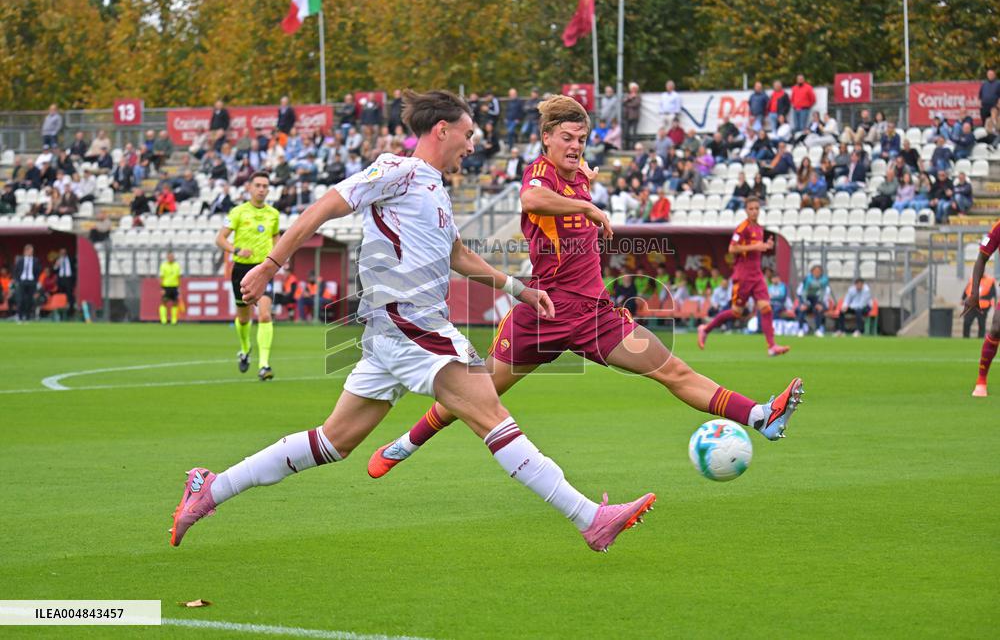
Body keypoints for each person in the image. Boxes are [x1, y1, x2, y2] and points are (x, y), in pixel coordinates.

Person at [171, 90, 657, 553]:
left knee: (332, 441)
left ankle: (210, 489)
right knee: (490, 413)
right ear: (441, 130)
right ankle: (590, 518)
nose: (473, 145)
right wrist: (270, 265)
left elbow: (459, 256)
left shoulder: (435, 192)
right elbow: (322, 208)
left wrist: (519, 288)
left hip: (393, 334)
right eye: (468, 135)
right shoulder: (397, 171)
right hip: (411, 326)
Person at [365, 94, 803, 490]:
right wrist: (587, 205)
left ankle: (759, 416)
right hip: (544, 311)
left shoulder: (578, 176)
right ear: (547, 140)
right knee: (475, 393)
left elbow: (570, 190)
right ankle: (406, 443)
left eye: (582, 138)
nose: (576, 146)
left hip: (595, 314)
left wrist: (584, 186)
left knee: (673, 370)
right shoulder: (540, 173)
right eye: (567, 138)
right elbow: (532, 201)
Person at [698, 198, 790, 357]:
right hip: (743, 276)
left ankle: (771, 346)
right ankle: (706, 329)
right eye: (751, 208)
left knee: (766, 308)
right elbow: (732, 248)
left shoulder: (760, 229)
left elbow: (756, 250)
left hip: (757, 275)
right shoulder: (742, 228)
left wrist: (766, 247)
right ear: (746, 210)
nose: (754, 211)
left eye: (756, 208)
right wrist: (756, 246)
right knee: (736, 313)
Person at [215, 172, 280, 381]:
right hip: (242, 270)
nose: (262, 189)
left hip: (263, 269)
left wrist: (276, 260)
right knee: (243, 318)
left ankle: (264, 365)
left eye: (265, 186)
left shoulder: (273, 214)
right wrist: (235, 250)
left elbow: (276, 237)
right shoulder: (238, 212)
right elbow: (220, 239)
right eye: (258, 185)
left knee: (264, 315)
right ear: (249, 188)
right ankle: (245, 349)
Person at [963, 219, 1000, 396]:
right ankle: (981, 381)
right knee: (996, 328)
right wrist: (974, 293)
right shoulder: (998, 228)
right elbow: (982, 258)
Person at [796, 264, 830, 336]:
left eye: (819, 271)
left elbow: (823, 291)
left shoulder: (824, 280)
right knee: (802, 309)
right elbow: (804, 291)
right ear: (812, 272)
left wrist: (819, 303)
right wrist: (805, 303)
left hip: (815, 297)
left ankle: (817, 330)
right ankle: (800, 329)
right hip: (804, 296)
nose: (817, 273)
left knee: (818, 309)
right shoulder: (807, 279)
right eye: (815, 271)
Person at [962, 273, 995, 340]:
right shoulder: (972, 279)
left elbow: (992, 294)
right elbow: (966, 290)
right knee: (967, 322)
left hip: (983, 306)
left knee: (981, 324)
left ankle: (980, 339)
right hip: (971, 306)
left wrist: (983, 298)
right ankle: (965, 339)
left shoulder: (990, 281)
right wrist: (963, 298)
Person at [14, 244, 41, 321]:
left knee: (30, 300)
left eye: (32, 251)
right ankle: (19, 316)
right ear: (25, 251)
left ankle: (28, 317)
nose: (31, 252)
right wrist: (17, 281)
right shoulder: (20, 260)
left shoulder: (35, 260)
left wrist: (35, 281)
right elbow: (16, 271)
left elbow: (38, 271)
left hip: (31, 282)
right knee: (21, 300)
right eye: (29, 251)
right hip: (22, 281)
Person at [159, 252, 182, 325]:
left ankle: (174, 320)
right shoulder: (163, 265)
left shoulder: (177, 265)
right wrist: (162, 288)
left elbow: (178, 277)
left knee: (175, 303)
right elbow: (161, 277)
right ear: (167, 257)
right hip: (166, 286)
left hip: (174, 286)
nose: (171, 258)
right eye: (169, 257)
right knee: (164, 302)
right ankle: (163, 320)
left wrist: (179, 287)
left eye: (172, 256)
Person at [54, 248, 76, 319]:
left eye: (64, 252)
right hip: (61, 279)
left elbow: (75, 267)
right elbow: (54, 270)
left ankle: (71, 312)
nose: (62, 254)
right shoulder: (58, 260)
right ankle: (60, 313)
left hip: (68, 279)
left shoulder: (70, 259)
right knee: (60, 295)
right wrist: (56, 265)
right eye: (61, 252)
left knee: (70, 295)